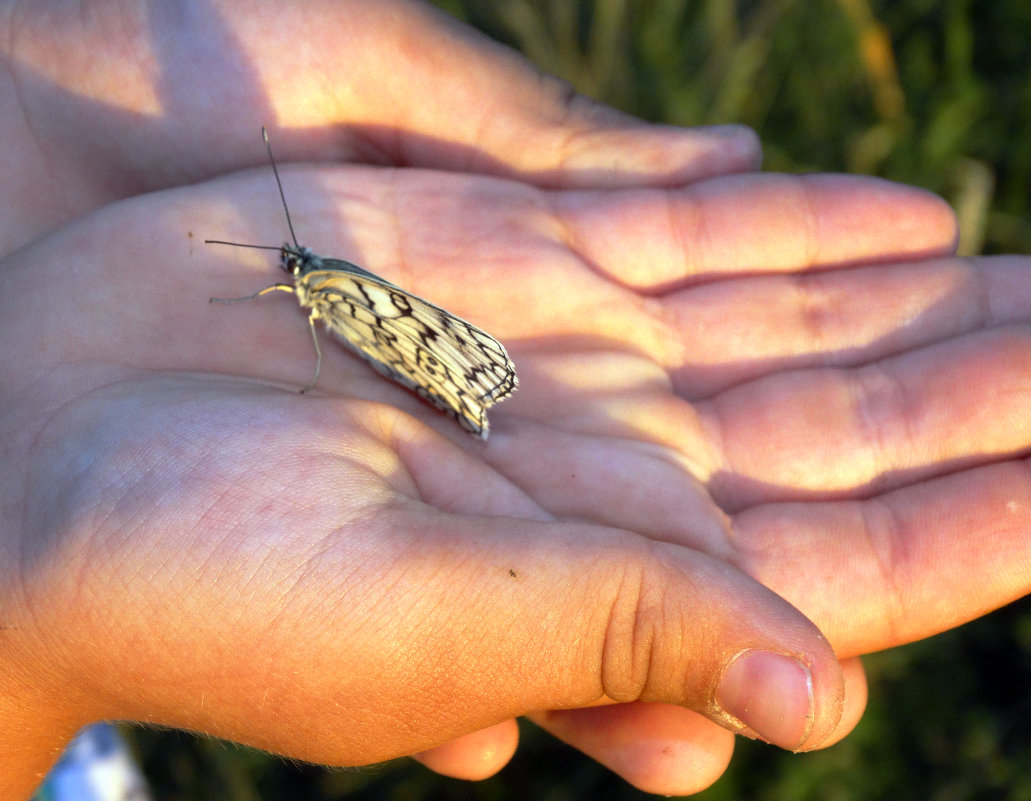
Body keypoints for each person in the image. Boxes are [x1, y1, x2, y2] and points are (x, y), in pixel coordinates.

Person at [2, 1, 1028, 798]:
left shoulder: (331, 283)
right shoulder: (315, 280)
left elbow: (365, 317)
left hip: (424, 356)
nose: (288, 271)